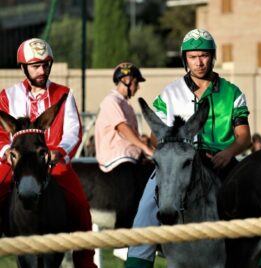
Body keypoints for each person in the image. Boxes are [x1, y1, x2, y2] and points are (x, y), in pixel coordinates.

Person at [125, 28, 251, 268]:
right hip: (177, 162)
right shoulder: (170, 93)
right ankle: (137, 262)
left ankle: (260, 255)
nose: (199, 62)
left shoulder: (233, 93)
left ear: (212, 57)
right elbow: (155, 137)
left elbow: (244, 137)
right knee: (147, 206)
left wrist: (228, 153)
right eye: (193, 57)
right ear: (185, 59)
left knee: (253, 199)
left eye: (204, 55)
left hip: (222, 161)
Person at [0, 38, 96, 267]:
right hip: (15, 161)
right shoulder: (7, 95)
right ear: (23, 68)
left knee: (80, 206)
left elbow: (74, 129)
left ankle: (85, 263)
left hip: (54, 161)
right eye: (35, 66)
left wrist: (59, 151)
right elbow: (0, 133)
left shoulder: (64, 94)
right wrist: (6, 151)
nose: (42, 70)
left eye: (45, 65)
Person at [95, 62, 154, 174]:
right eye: (136, 83)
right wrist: (144, 148)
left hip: (129, 155)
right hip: (118, 158)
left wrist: (142, 141)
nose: (138, 87)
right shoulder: (111, 101)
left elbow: (127, 135)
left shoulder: (125, 104)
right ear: (126, 80)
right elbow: (122, 127)